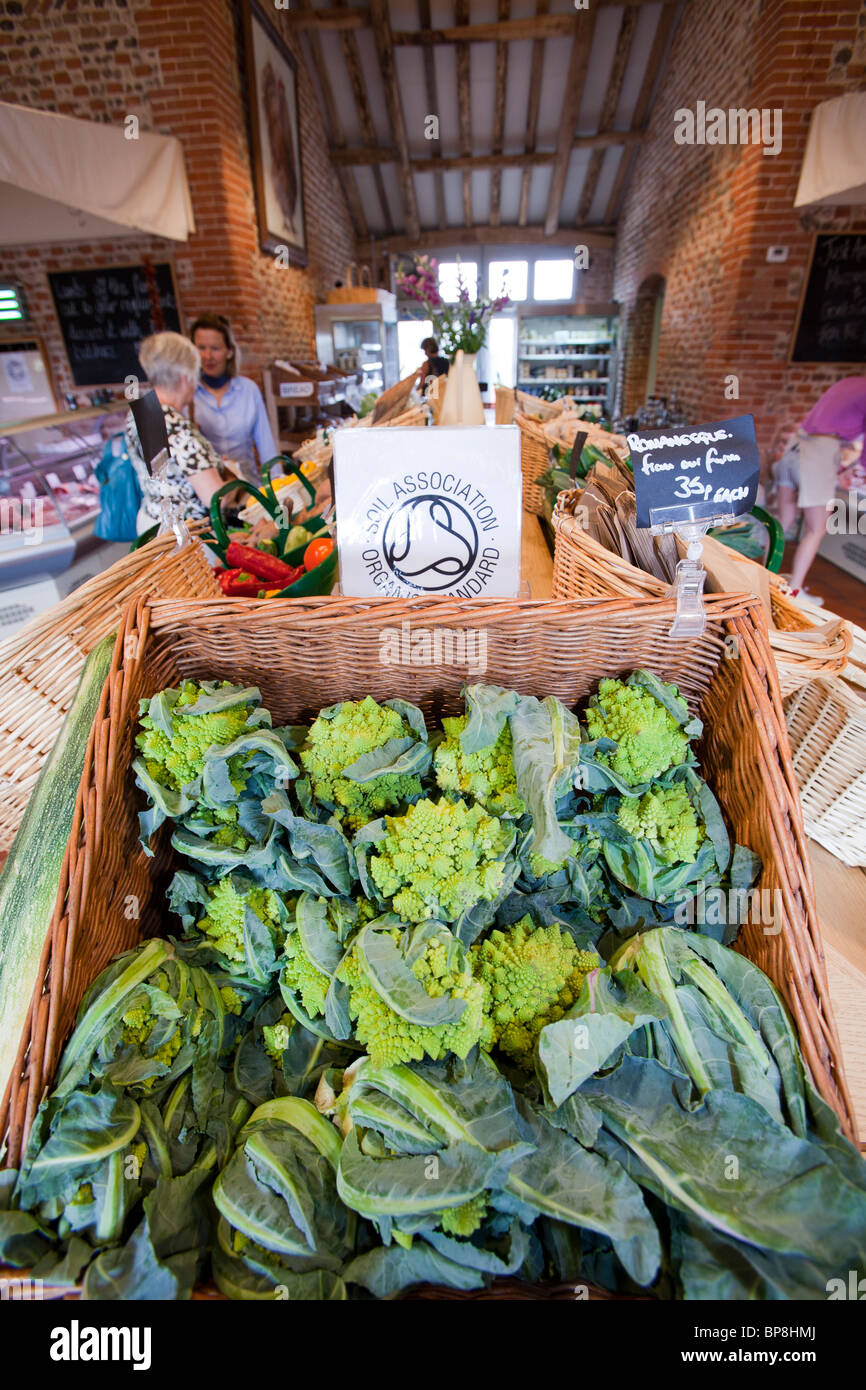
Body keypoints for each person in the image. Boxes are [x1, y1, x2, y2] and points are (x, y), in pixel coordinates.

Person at [772, 376, 866, 598]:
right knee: (817, 528)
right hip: (819, 451)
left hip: (795, 445)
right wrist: (859, 469)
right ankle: (793, 592)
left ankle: (762, 572)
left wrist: (845, 467)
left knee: (783, 521)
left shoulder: (851, 382)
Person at [125, 332, 227, 534]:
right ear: (185, 378)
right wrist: (232, 478)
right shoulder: (173, 425)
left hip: (152, 525)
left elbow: (170, 474)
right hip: (187, 538)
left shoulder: (141, 411)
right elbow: (215, 498)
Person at [190, 313, 277, 482]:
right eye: (201, 348)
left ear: (229, 352)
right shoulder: (188, 395)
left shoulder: (248, 390)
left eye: (215, 348)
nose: (208, 356)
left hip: (248, 488)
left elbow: (266, 446)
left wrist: (278, 484)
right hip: (208, 496)